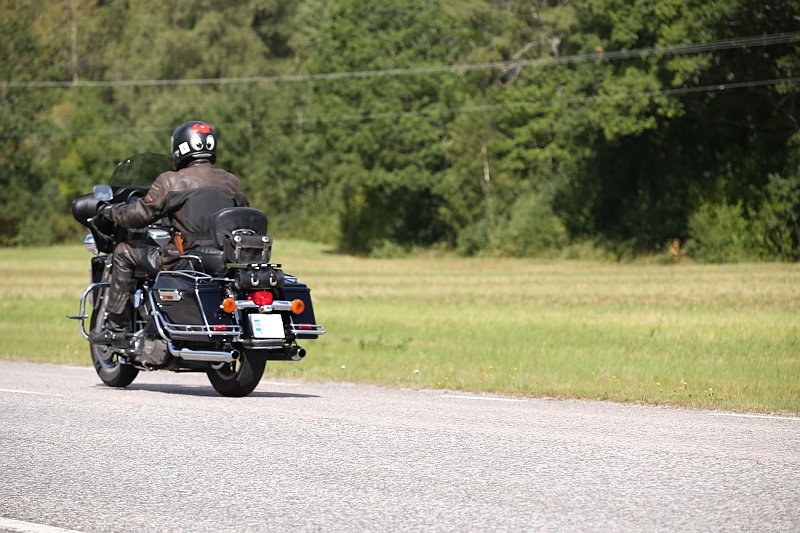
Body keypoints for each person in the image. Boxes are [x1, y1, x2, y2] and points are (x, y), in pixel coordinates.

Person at [90, 120, 248, 346]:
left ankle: (117, 329)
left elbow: (139, 215)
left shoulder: (171, 181)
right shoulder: (232, 181)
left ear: (180, 148)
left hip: (183, 260)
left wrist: (109, 211)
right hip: (224, 260)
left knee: (124, 252)